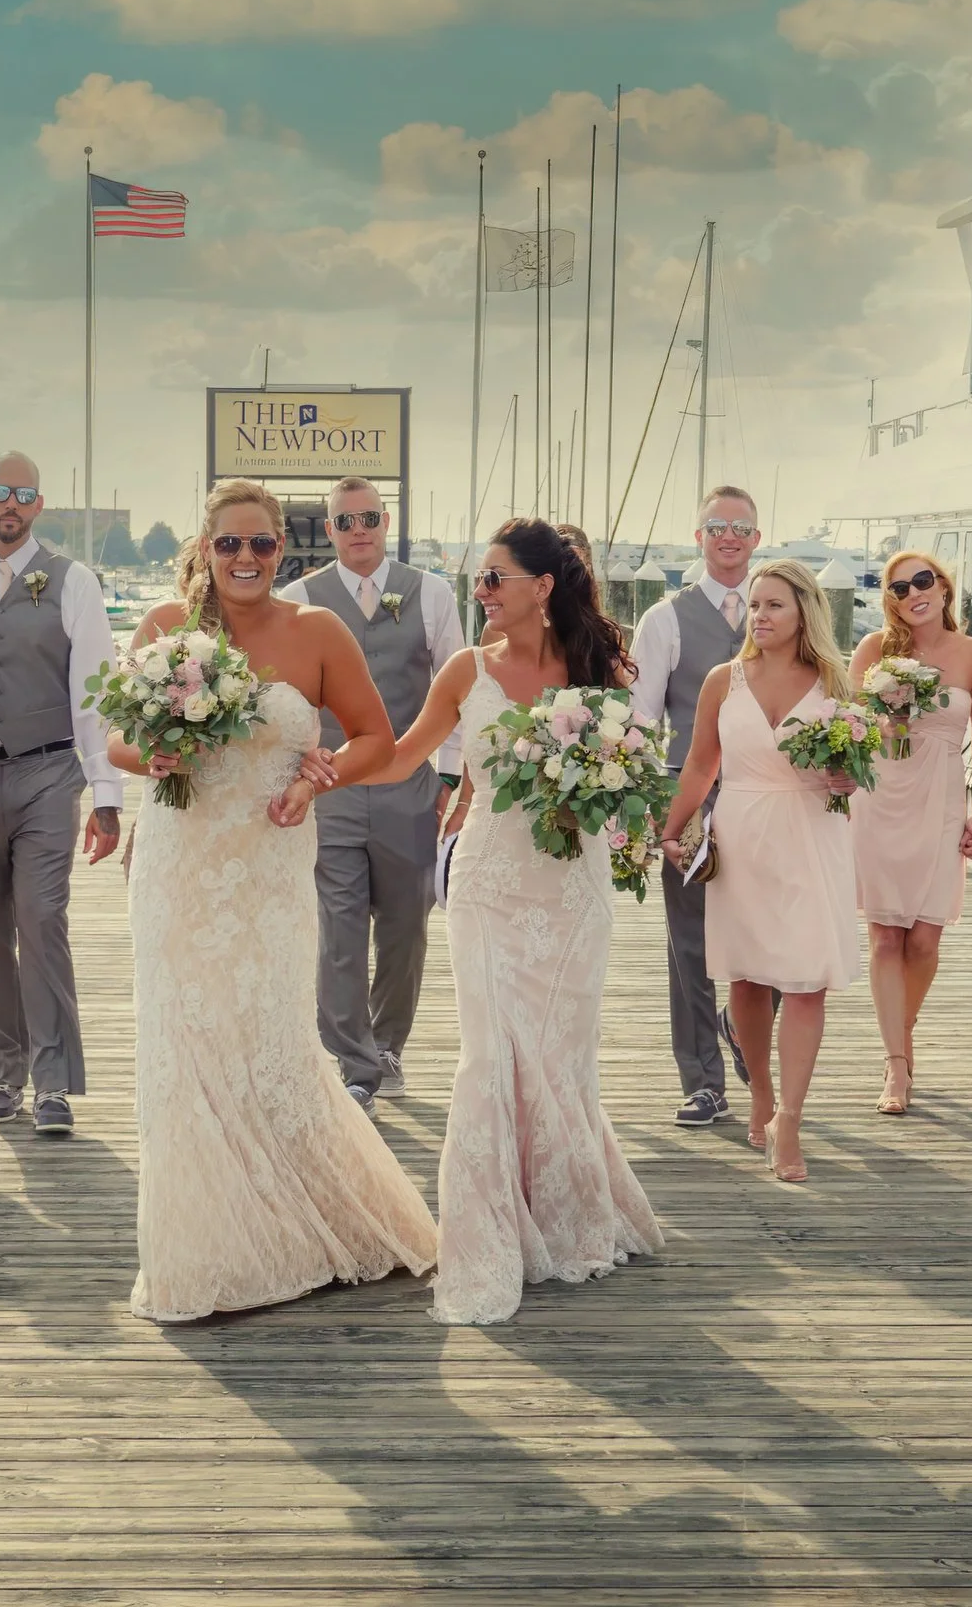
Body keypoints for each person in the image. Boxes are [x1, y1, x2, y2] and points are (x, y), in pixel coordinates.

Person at [113, 479, 435, 1322]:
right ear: (206, 548)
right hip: (181, 862)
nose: (247, 559)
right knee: (187, 1042)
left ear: (284, 550)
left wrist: (322, 774)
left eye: (262, 545)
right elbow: (114, 732)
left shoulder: (317, 631)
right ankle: (208, 1247)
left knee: (268, 1035)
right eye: (230, 544)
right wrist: (147, 757)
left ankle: (307, 1220)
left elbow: (377, 738)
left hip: (271, 859)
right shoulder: (166, 630)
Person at [371, 517, 660, 1321]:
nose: (482, 592)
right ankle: (488, 1226)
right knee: (490, 1053)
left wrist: (626, 817)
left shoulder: (599, 669)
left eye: (496, 578)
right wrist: (325, 766)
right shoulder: (467, 669)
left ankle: (565, 1213)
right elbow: (403, 755)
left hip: (572, 885)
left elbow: (624, 767)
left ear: (543, 587)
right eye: (478, 580)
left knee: (560, 1053)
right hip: (491, 880)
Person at [0, 453, 121, 1138]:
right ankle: (1, 1073)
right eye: (1, 493)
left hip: (47, 772)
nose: (11, 505)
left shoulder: (75, 581)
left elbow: (95, 694)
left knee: (41, 919)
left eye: (24, 495)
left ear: (39, 505)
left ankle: (54, 1082)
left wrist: (108, 792)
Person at [658, 561, 862, 1183]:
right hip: (741, 832)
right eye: (755, 606)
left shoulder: (835, 680)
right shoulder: (724, 681)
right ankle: (763, 1096)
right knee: (746, 979)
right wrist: (670, 829)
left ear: (805, 611)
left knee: (805, 983)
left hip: (810, 834)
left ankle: (790, 1123)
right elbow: (698, 766)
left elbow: (852, 773)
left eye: (774, 605)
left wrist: (846, 777)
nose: (761, 616)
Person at [276, 474, 464, 1108]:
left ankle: (388, 1041)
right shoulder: (302, 597)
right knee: (340, 922)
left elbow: (460, 688)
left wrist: (450, 777)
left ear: (387, 523)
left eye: (370, 519)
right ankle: (353, 1059)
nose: (360, 531)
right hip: (330, 785)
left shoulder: (430, 592)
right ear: (328, 531)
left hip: (409, 784)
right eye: (346, 522)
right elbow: (289, 695)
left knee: (408, 923)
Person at [629, 485, 763, 1128]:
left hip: (770, 798)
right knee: (690, 942)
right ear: (699, 537)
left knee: (769, 932)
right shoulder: (665, 619)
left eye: (739, 527)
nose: (728, 536)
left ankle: (745, 1024)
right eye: (716, 526)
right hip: (692, 794)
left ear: (757, 539)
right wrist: (663, 812)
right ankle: (703, 1080)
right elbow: (641, 720)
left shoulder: (781, 610)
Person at [847, 549, 972, 1117]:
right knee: (885, 936)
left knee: (926, 940)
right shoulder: (874, 651)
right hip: (881, 796)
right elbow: (849, 728)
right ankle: (896, 1064)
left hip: (939, 797)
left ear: (944, 587)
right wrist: (885, 719)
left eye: (923, 581)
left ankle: (899, 1031)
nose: (914, 594)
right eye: (900, 587)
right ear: (890, 599)